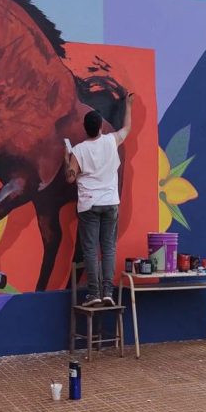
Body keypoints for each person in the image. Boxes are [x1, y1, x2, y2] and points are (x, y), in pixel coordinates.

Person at [65, 94, 134, 306]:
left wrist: (67, 160)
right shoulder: (111, 141)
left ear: (85, 128)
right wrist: (128, 105)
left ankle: (94, 294)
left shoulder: (78, 150)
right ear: (101, 127)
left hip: (89, 205)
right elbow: (127, 128)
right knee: (109, 248)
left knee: (90, 250)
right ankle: (108, 293)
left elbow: (70, 178)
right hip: (110, 203)